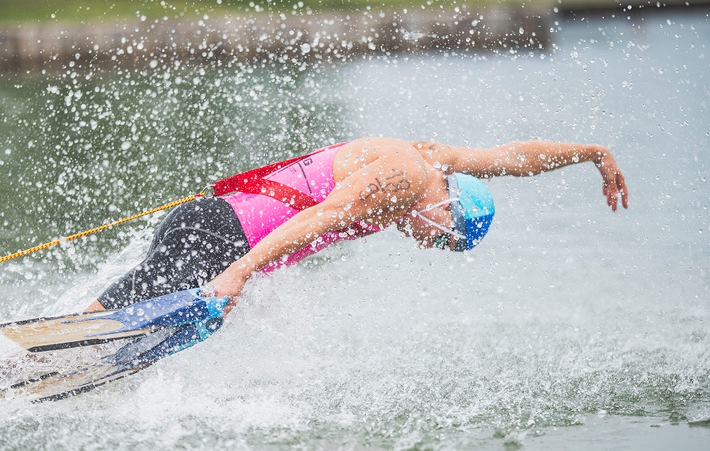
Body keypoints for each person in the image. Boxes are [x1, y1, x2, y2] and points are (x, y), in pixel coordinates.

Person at [85, 137, 628, 313]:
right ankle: (23, 357)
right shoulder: (402, 177)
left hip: (226, 233)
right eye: (443, 241)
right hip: (221, 233)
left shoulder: (432, 165)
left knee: (159, 315)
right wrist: (243, 272)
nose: (428, 246)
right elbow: (321, 216)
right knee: (142, 295)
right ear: (446, 211)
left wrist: (591, 154)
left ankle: (47, 367)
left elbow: (512, 158)